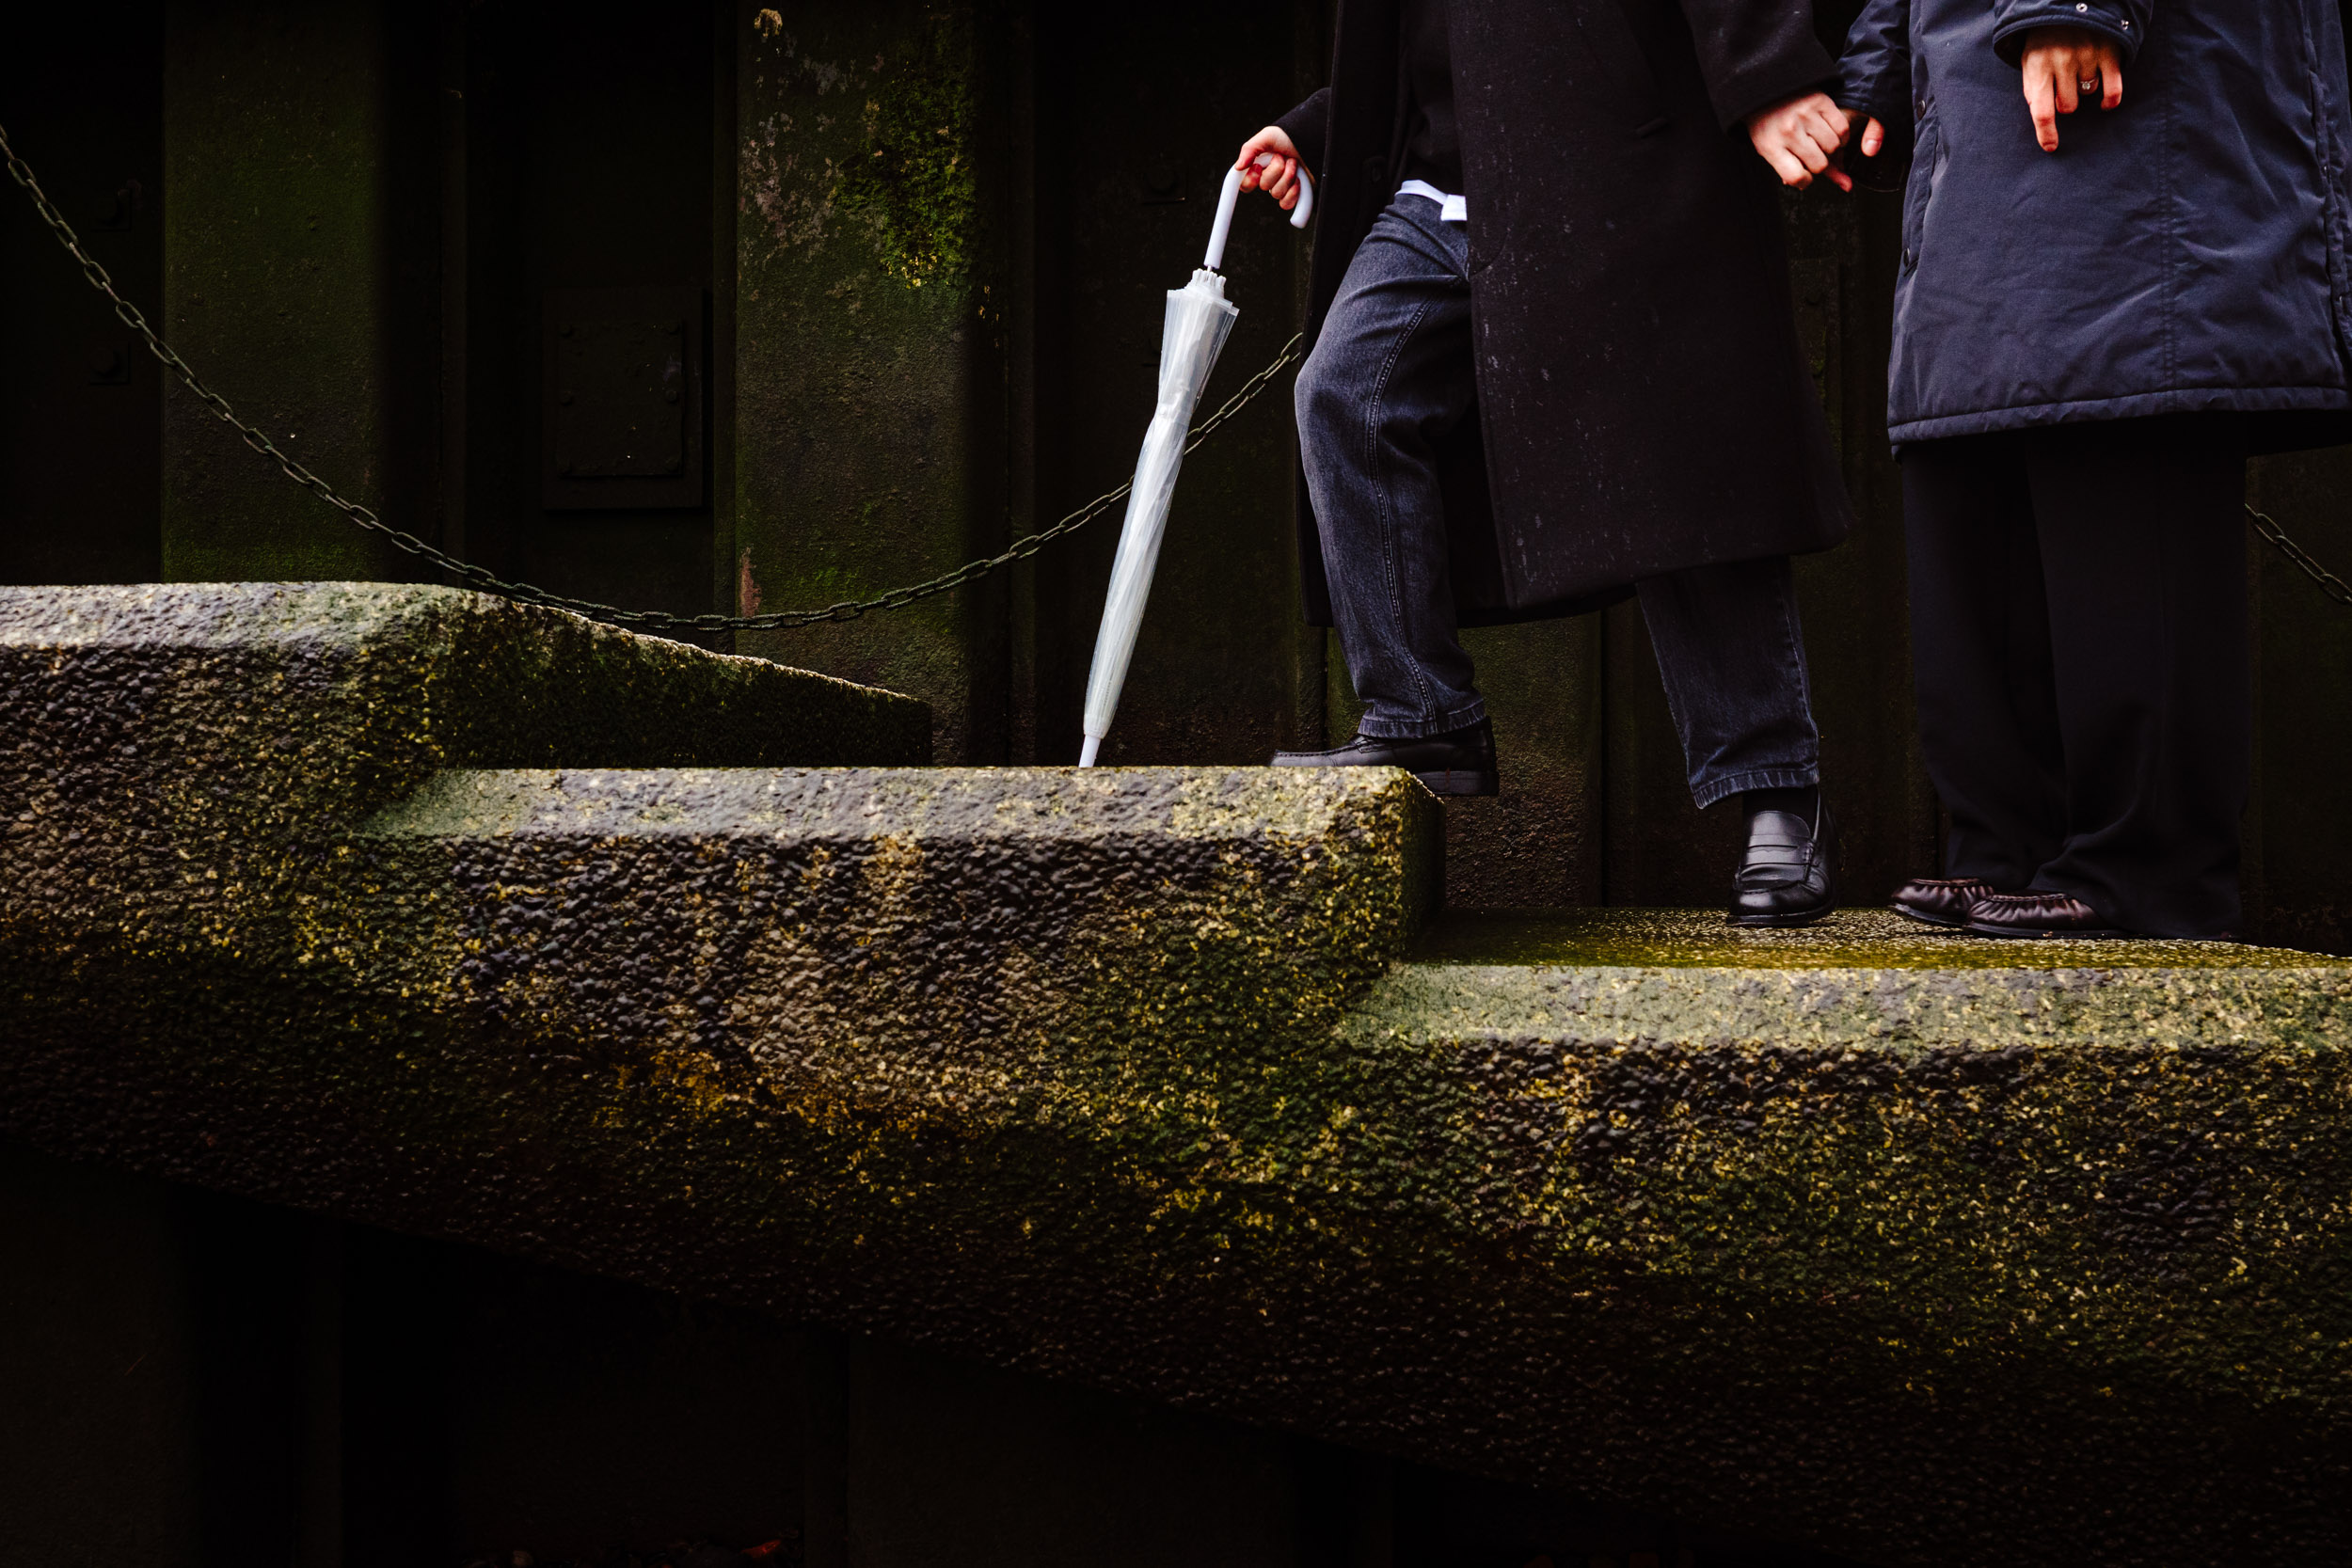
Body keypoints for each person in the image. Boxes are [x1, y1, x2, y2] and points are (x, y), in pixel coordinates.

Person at [1240, 0, 1860, 927]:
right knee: (1345, 394)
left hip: (1613, 152)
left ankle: (1775, 788)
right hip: (1442, 191)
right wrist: (1322, 127)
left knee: (1675, 468)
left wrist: (1765, 71)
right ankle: (1422, 717)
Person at [1811, 0, 2352, 938]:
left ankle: (2140, 870)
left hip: (2128, 80)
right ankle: (2011, 854)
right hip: (1970, 88)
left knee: (2115, 399)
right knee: (1979, 448)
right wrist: (1875, 67)